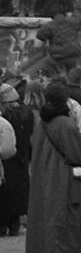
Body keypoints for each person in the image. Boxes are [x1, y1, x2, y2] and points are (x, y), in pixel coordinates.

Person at [25, 80, 81, 253]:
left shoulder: (41, 121)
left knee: (45, 216)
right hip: (60, 176)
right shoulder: (64, 124)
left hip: (41, 174)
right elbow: (80, 154)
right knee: (59, 216)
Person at [0, 81, 33, 236]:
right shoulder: (27, 113)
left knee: (6, 194)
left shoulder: (6, 116)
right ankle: (14, 225)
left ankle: (3, 226)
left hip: (7, 158)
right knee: (18, 193)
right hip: (22, 157)